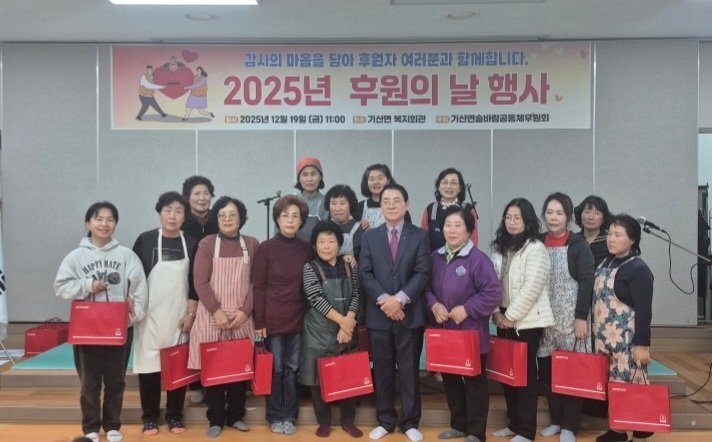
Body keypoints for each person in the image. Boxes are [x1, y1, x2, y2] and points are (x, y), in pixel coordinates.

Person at [55, 201, 148, 442]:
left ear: (115, 224)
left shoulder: (126, 255)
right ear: (88, 223)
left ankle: (112, 425)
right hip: (87, 330)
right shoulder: (75, 257)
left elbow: (139, 287)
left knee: (116, 380)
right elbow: (61, 287)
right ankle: (91, 428)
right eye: (99, 219)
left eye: (110, 219)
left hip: (118, 328)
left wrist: (134, 311)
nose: (104, 224)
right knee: (90, 382)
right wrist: (87, 285)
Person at [359, 183, 430, 442]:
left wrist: (399, 300)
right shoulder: (370, 237)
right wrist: (386, 301)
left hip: (409, 315)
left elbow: (423, 273)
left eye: (396, 200)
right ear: (380, 206)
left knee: (409, 370)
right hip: (379, 317)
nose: (391, 205)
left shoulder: (420, 236)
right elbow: (365, 274)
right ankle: (386, 420)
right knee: (383, 369)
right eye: (386, 201)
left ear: (406, 204)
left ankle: (410, 422)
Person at [426, 206, 502, 442]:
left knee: (474, 383)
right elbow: (426, 288)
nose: (451, 230)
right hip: (445, 332)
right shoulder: (435, 257)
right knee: (450, 380)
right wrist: (434, 305)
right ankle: (458, 425)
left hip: (470, 333)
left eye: (458, 225)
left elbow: (493, 293)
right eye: (447, 225)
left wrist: (467, 309)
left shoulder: (478, 259)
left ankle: (477, 432)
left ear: (469, 231)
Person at [188, 196, 259, 439]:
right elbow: (200, 281)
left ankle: (236, 416)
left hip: (241, 316)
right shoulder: (207, 244)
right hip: (212, 316)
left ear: (241, 218)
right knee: (214, 371)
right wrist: (217, 311)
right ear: (216, 218)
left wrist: (245, 311)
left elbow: (256, 282)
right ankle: (216, 419)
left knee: (239, 371)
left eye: (232, 214)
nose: (227, 219)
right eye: (222, 215)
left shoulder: (252, 244)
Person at [131, 192, 199, 436]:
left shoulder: (191, 242)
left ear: (184, 216)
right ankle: (150, 417)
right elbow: (134, 278)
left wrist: (191, 314)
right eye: (167, 210)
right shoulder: (146, 240)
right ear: (159, 213)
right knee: (149, 369)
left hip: (179, 318)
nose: (172, 216)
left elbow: (195, 283)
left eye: (178, 211)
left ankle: (174, 416)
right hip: (149, 317)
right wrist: (134, 307)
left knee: (177, 367)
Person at [490, 197, 553, 442]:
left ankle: (526, 431)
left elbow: (532, 287)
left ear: (527, 221)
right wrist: (496, 313)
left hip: (525, 322)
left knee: (525, 377)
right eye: (508, 217)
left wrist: (510, 316)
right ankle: (514, 423)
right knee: (507, 375)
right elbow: (491, 283)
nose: (512, 222)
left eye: (517, 218)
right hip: (502, 318)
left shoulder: (535, 248)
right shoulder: (500, 247)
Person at [536, 193, 595, 442]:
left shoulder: (579, 245)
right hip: (544, 319)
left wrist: (581, 317)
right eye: (549, 212)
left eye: (559, 213)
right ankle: (556, 421)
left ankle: (570, 425)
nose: (554, 217)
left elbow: (587, 282)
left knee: (572, 373)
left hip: (572, 320)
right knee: (548, 372)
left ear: (568, 217)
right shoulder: (537, 242)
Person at [253, 195, 313, 435]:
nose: (290, 220)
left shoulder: (306, 249)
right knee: (276, 369)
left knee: (292, 369)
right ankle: (274, 415)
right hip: (272, 320)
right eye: (285, 215)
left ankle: (290, 415)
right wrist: (259, 321)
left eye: (295, 216)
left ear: (301, 221)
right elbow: (258, 286)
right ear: (277, 219)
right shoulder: (265, 248)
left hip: (298, 318)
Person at [593, 214, 654, 442]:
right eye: (609, 234)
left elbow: (644, 310)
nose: (611, 239)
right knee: (613, 386)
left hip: (627, 342)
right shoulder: (605, 263)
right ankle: (617, 430)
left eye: (618, 235)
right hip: (604, 340)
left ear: (632, 239)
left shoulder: (638, 269)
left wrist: (642, 345)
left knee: (631, 386)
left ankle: (638, 432)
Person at [299, 220, 363, 439]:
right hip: (318, 330)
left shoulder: (350, 265)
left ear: (339, 244)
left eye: (331, 241)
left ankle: (348, 421)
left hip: (347, 327)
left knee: (348, 374)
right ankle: (324, 422)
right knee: (318, 378)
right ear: (315, 246)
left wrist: (349, 321)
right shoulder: (309, 268)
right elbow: (316, 298)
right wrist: (343, 322)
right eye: (322, 242)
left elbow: (357, 293)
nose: (326, 246)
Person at [181, 175, 217, 403]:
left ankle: (218, 380)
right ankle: (196, 383)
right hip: (187, 284)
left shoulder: (218, 218)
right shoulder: (182, 221)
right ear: (188, 197)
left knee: (213, 336)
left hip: (218, 284)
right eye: (197, 193)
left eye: (206, 193)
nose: (202, 198)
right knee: (193, 334)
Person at [421, 167, 479, 251]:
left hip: (463, 258)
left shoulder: (468, 210)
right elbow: (423, 241)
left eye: (453, 183)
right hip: (434, 258)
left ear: (460, 188)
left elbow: (473, 240)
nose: (448, 186)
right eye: (445, 182)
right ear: (438, 187)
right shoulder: (430, 209)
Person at [356, 163, 411, 230]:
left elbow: (409, 232)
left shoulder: (399, 207)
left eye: (380, 178)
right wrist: (359, 227)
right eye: (372, 179)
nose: (376, 182)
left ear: (388, 180)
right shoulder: (359, 207)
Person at [323, 184, 363, 259]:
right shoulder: (322, 228)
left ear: (350, 205)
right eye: (333, 203)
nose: (338, 208)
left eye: (342, 203)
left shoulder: (360, 229)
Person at [295, 157, 329, 242]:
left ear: (320, 177)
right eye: (305, 175)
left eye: (313, 174)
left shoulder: (327, 203)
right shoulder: (291, 202)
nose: (309, 179)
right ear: (299, 179)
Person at [574, 195, 612, 267]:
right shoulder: (573, 240)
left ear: (604, 218)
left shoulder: (610, 240)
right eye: (587, 212)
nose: (590, 217)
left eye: (597, 213)